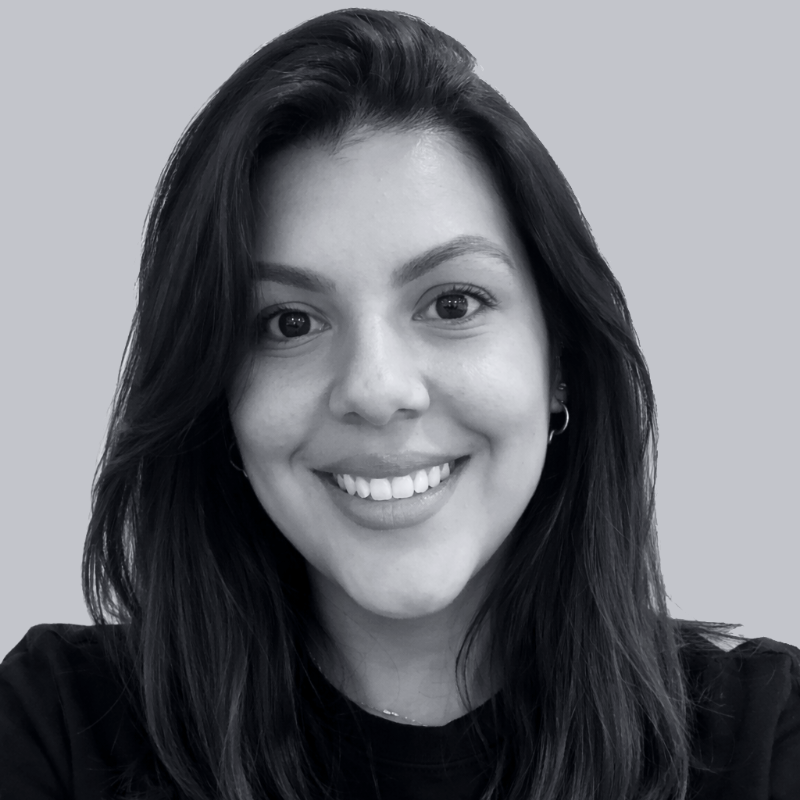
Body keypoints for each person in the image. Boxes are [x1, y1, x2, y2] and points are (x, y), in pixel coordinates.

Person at [1, 8, 798, 800]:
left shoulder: (764, 741)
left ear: (561, 361)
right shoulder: (57, 727)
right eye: (288, 322)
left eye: (452, 304)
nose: (376, 390)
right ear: (216, 395)